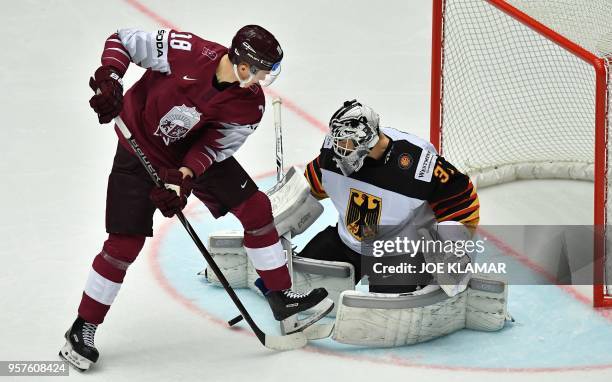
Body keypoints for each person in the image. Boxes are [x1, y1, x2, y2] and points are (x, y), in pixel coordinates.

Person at [60, 25, 331, 371]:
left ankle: (280, 296)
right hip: (137, 145)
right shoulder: (187, 50)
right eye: (263, 71)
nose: (265, 79)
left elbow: (216, 146)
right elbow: (122, 40)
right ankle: (83, 327)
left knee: (256, 208)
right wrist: (111, 78)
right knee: (123, 246)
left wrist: (182, 179)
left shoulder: (250, 105)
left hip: (188, 152)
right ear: (245, 66)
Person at [300, 99, 480, 293]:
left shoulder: (419, 164)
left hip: (399, 253)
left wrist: (453, 249)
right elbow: (311, 185)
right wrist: (281, 214)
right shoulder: (332, 156)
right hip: (347, 243)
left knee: (382, 316)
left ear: (368, 140)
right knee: (300, 284)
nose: (339, 150)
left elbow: (460, 201)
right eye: (338, 141)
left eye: (347, 143)